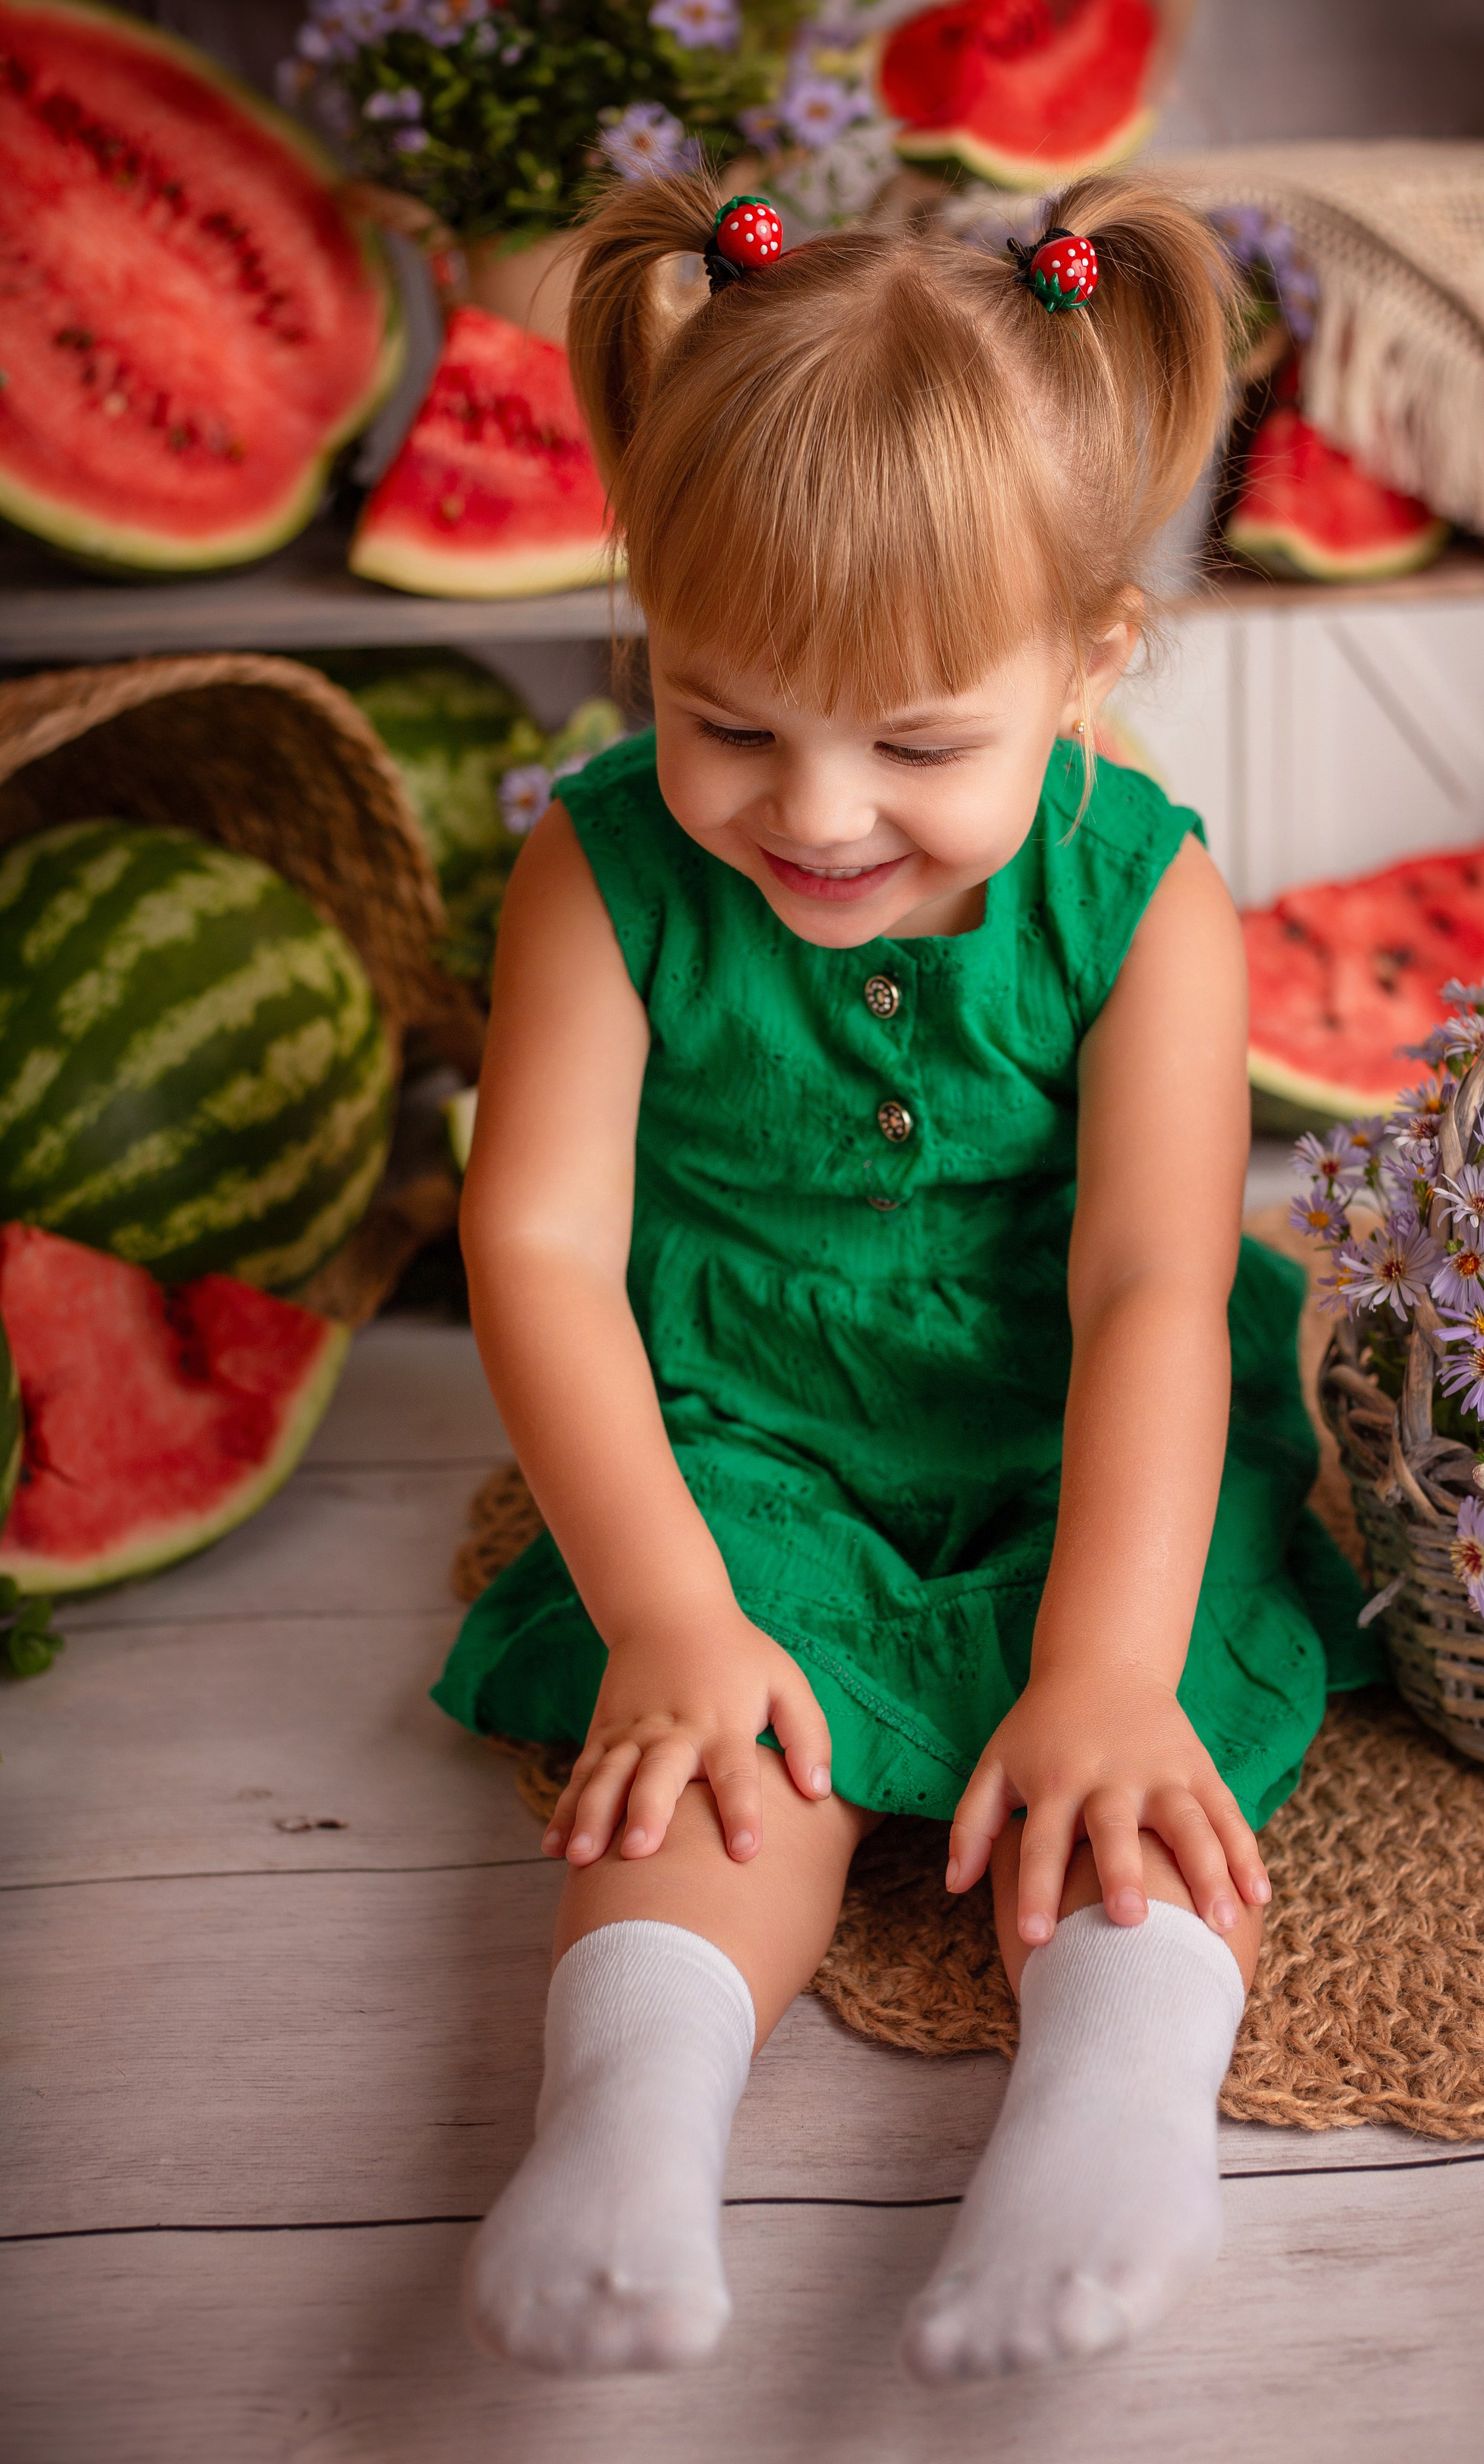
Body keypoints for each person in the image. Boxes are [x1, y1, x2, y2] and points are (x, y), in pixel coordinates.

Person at [432, 170, 1374, 2384]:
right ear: (650, 622)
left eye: (919, 743)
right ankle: (627, 2117)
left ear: (1088, 661)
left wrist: (1110, 1664)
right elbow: (540, 1243)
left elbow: (1153, 1280)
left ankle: (1121, 2108)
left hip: (1081, 1439)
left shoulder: (1143, 896)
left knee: (1160, 1751)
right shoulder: (597, 870)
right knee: (716, 1758)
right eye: (728, 716)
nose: (820, 811)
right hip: (742, 1423)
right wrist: (670, 1606)